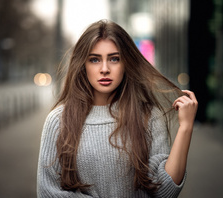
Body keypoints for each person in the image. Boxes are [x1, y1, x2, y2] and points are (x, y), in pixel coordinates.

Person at [37, 19, 198, 198]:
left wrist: (186, 127)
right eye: (94, 59)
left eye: (114, 59)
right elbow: (47, 192)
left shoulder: (149, 116)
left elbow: (163, 192)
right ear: (83, 65)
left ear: (126, 63)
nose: (104, 69)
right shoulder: (59, 121)